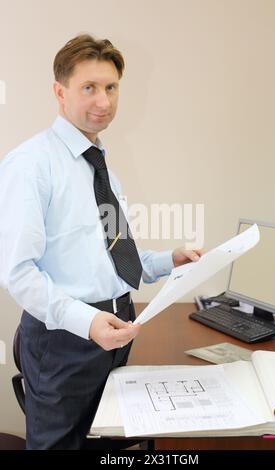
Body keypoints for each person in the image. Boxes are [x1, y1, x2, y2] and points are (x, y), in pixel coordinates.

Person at [0, 34, 203, 450]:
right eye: (89, 88)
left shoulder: (100, 166)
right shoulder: (31, 165)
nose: (103, 101)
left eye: (111, 87)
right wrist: (87, 322)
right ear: (60, 92)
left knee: (104, 444)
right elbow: (17, 273)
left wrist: (170, 260)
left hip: (116, 333)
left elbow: (114, 259)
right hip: (64, 342)